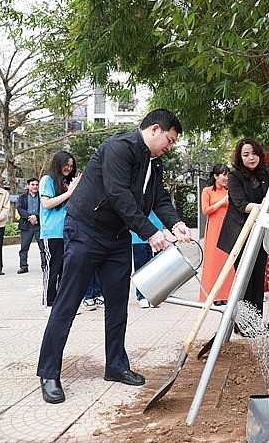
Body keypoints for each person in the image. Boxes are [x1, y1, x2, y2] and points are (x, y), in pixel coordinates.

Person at [37, 108, 192, 404]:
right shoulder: (119, 148)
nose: (169, 147)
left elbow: (159, 198)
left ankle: (116, 366)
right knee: (68, 302)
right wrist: (149, 232)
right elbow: (118, 192)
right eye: (169, 140)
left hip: (118, 238)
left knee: (119, 304)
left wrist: (175, 223)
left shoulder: (154, 164)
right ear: (155, 130)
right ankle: (49, 372)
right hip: (86, 230)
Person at [217, 138, 269, 320]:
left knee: (258, 278)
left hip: (260, 232)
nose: (251, 158)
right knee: (244, 278)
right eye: (246, 154)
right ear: (240, 157)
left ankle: (257, 321)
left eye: (254, 154)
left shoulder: (266, 174)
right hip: (240, 232)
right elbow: (241, 205)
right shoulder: (234, 176)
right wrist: (263, 206)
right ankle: (243, 323)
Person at [39, 151, 80, 312]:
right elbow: (46, 204)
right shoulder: (47, 180)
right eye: (66, 165)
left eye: (71, 166)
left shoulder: (68, 182)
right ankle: (49, 303)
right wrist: (69, 193)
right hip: (52, 233)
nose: (69, 169)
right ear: (58, 164)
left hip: (68, 233)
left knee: (66, 271)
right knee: (52, 269)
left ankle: (62, 304)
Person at [200, 164, 234, 305]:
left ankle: (227, 294)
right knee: (213, 261)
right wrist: (222, 202)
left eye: (227, 175)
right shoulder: (207, 191)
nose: (226, 178)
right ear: (215, 176)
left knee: (228, 260)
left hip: (228, 227)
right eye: (223, 175)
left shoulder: (231, 190)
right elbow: (205, 210)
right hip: (214, 227)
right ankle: (212, 295)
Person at [131, 211, 164, 308]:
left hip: (157, 230)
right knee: (141, 267)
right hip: (138, 235)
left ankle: (155, 295)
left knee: (157, 267)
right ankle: (142, 296)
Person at [17, 178, 46, 274]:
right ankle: (23, 266)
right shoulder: (22, 197)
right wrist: (30, 217)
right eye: (32, 184)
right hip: (26, 225)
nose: (35, 186)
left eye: (36, 185)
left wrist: (36, 217)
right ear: (28, 186)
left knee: (43, 247)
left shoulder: (42, 197)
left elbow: (44, 208)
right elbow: (20, 209)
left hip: (39, 224)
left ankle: (44, 265)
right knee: (24, 247)